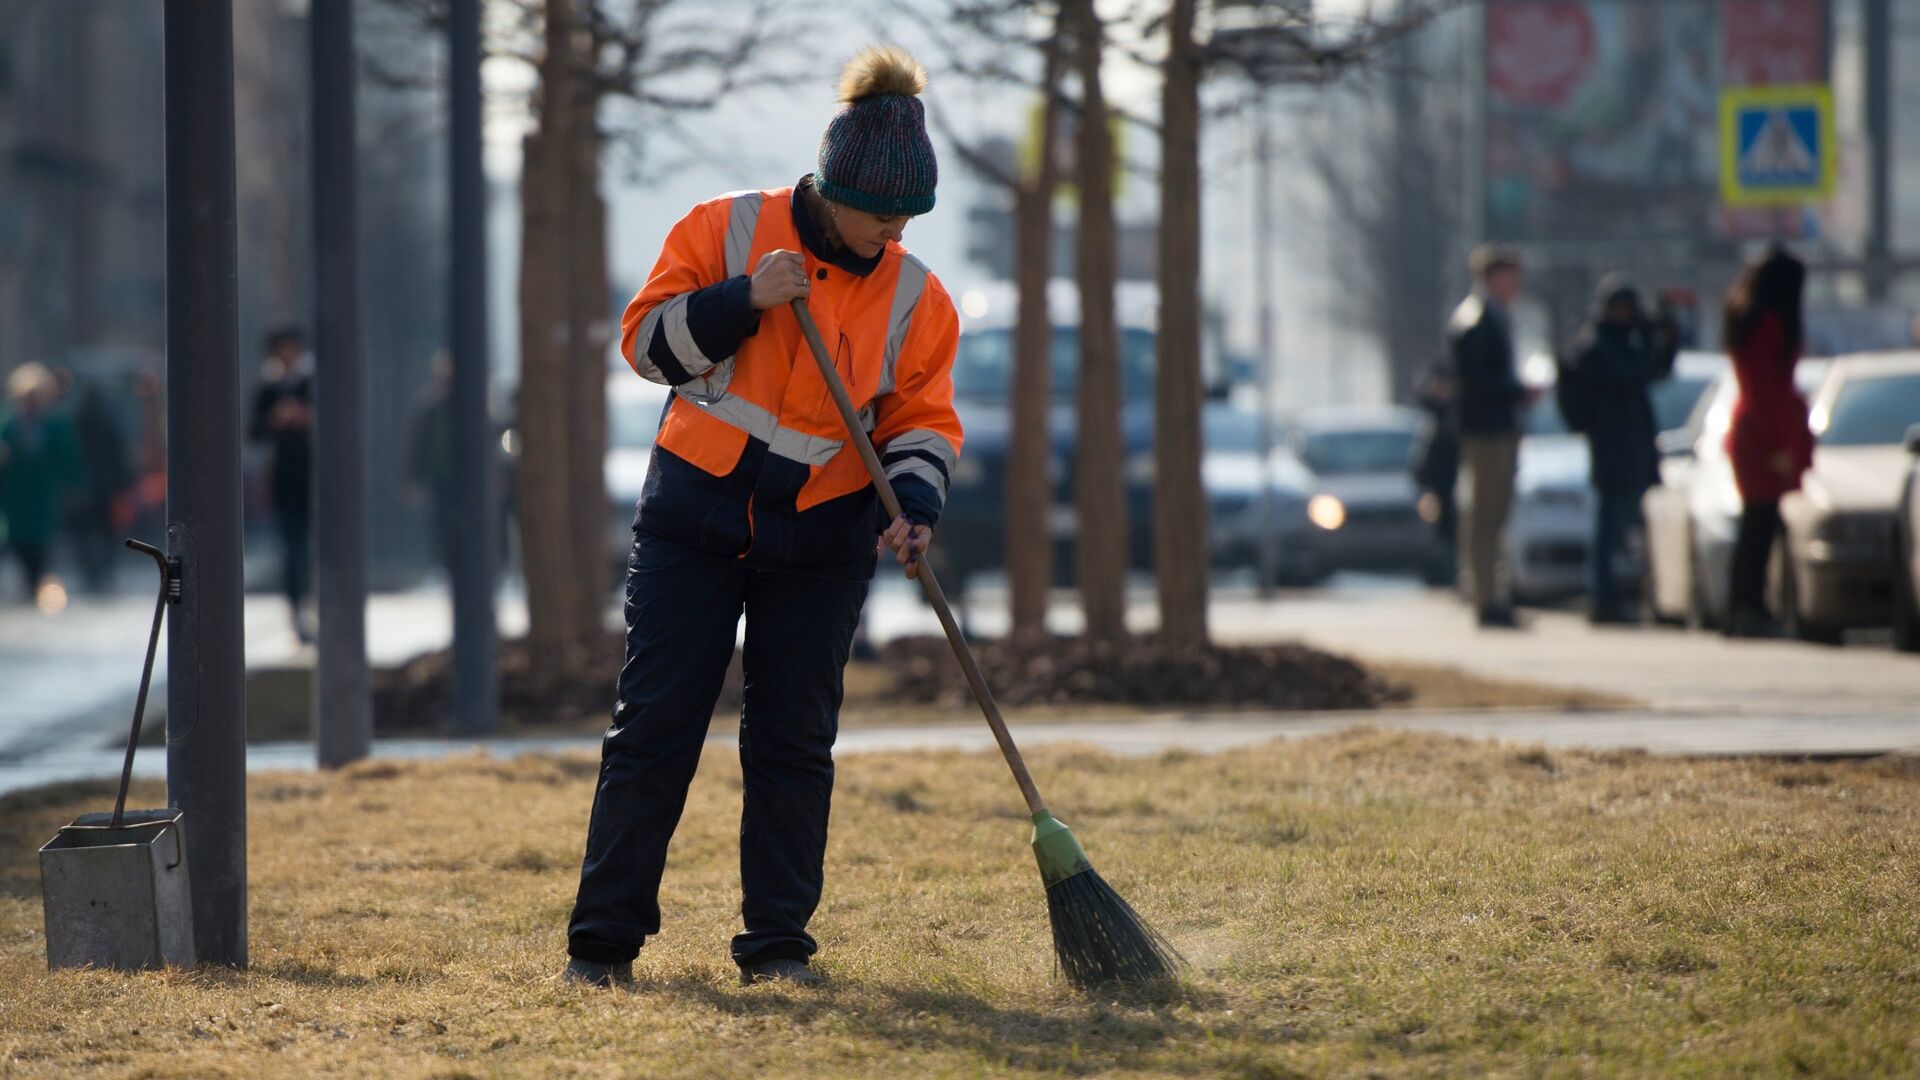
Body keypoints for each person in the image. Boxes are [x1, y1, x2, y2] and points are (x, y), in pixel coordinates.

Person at [564, 45, 962, 990]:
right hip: (692, 525)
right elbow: (646, 347)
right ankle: (602, 947)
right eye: (880, 214)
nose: (892, 232)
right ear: (832, 189)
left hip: (821, 541)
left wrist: (911, 506)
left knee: (793, 745)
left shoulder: (916, 295)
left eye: (907, 217)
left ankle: (778, 947)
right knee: (654, 731)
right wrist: (744, 298)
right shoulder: (723, 230)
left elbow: (921, 418)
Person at [1562, 274, 1678, 624]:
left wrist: (1664, 333)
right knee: (1610, 527)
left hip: (1637, 448)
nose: (1625, 316)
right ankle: (1604, 598)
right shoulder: (1595, 346)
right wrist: (1645, 334)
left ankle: (1648, 595)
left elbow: (1659, 369)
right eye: (1620, 309)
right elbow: (1632, 373)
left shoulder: (1628, 342)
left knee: (1639, 528)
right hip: (1612, 450)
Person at [1721, 247, 1812, 638]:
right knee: (1758, 524)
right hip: (1762, 436)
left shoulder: (1751, 317)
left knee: (1760, 523)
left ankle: (1748, 604)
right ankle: (1746, 607)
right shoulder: (1765, 324)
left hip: (1758, 430)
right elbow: (1764, 391)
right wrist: (1778, 446)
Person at [1448, 245, 1528, 628]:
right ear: (1491, 277)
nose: (1516, 284)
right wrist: (1516, 391)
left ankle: (1494, 591)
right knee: (1484, 515)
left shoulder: (1495, 317)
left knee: (1496, 515)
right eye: (1509, 276)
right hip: (1486, 430)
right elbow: (1475, 381)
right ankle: (1485, 597)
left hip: (1499, 426)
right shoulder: (1475, 320)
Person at [249, 326, 315, 642]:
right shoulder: (268, 389)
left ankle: (313, 602)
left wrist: (306, 418)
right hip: (284, 480)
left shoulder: (313, 383)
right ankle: (297, 606)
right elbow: (254, 432)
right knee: (292, 546)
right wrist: (275, 420)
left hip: (316, 478)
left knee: (313, 546)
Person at [0, 363, 86, 604]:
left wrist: (75, 486)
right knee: (16, 542)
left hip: (42, 496)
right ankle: (27, 583)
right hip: (15, 497)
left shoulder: (56, 426)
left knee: (40, 543)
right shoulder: (8, 425)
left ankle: (34, 583)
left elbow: (70, 458)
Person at [71, 382, 135, 594]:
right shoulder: (104, 424)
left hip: (89, 487)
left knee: (88, 533)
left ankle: (94, 572)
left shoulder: (79, 424)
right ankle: (99, 571)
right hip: (101, 487)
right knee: (101, 533)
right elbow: (118, 457)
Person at [406, 351, 457, 578]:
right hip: (438, 474)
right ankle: (443, 565)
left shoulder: (467, 404)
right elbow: (417, 443)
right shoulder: (429, 405)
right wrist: (412, 478)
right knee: (440, 521)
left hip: (462, 476)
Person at [1412, 360, 1461, 579]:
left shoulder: (1458, 410)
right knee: (1441, 528)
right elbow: (1421, 397)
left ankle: (1457, 571)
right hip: (1438, 480)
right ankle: (1445, 572)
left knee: (1458, 525)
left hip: (1457, 476)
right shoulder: (1436, 412)